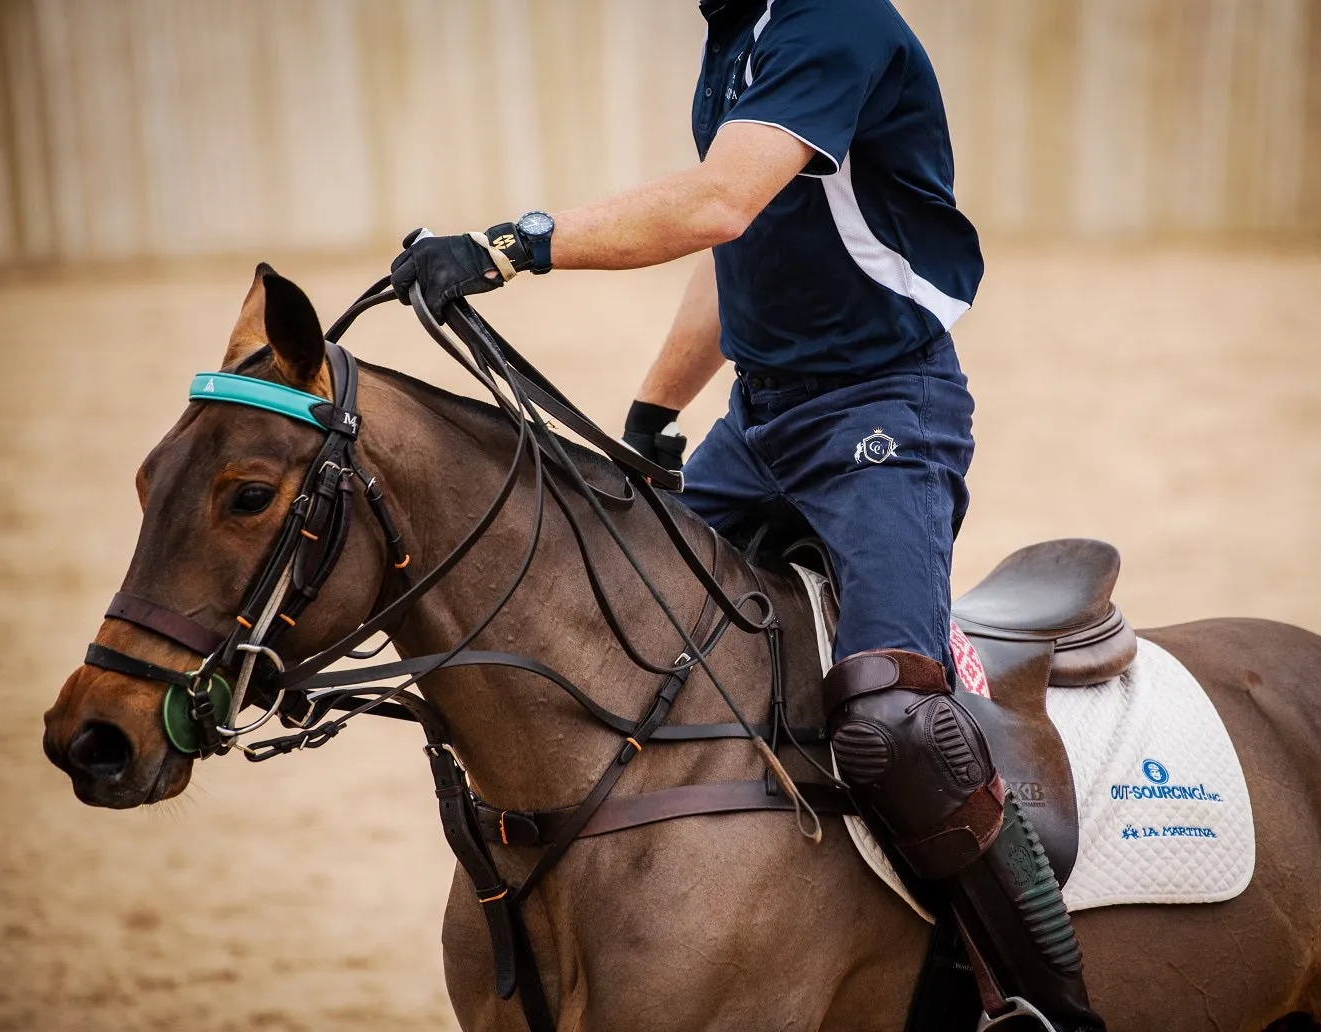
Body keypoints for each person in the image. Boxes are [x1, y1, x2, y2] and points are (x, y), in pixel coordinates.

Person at [390, 2, 1103, 1028]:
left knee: (896, 724)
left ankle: (1037, 1001)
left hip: (884, 413)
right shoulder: (738, 33)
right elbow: (744, 252)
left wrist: (509, 246)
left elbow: (717, 206)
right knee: (623, 625)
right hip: (759, 421)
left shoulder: (832, 22)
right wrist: (651, 415)